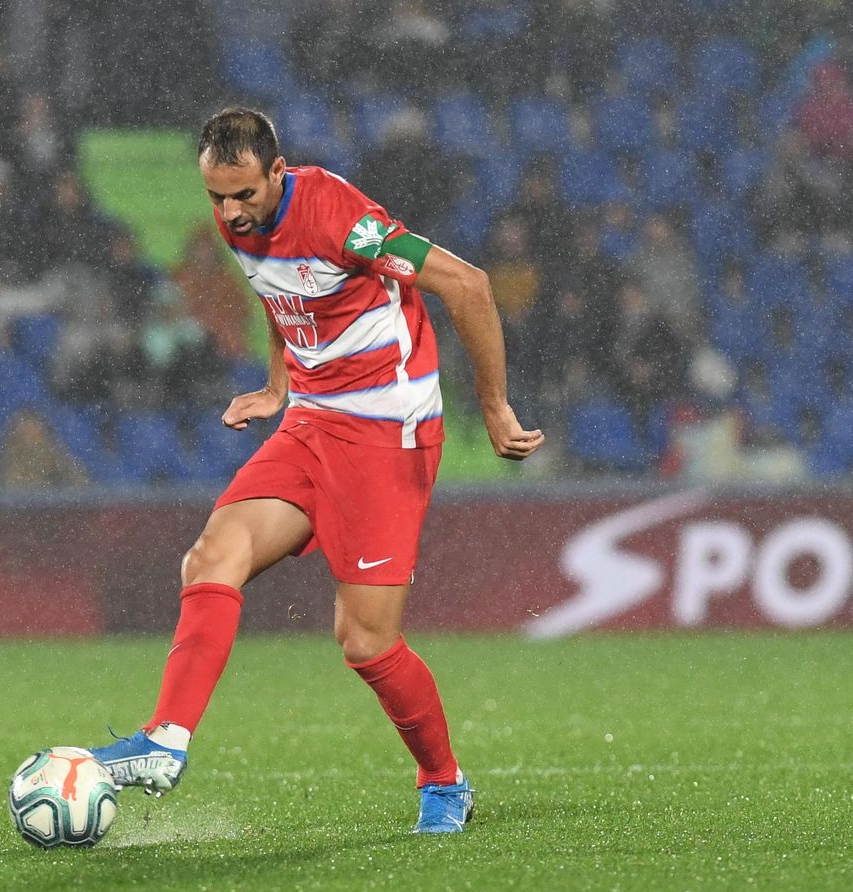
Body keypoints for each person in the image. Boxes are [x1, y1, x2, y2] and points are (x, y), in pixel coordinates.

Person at [86, 109, 543, 834]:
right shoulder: (239, 222)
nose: (230, 213)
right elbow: (282, 294)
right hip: (312, 420)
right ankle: (165, 739)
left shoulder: (341, 218)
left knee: (365, 641)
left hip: (388, 430)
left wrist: (493, 408)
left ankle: (444, 781)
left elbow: (469, 286)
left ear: (278, 171)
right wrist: (278, 387)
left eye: (244, 194)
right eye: (216, 198)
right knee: (211, 556)